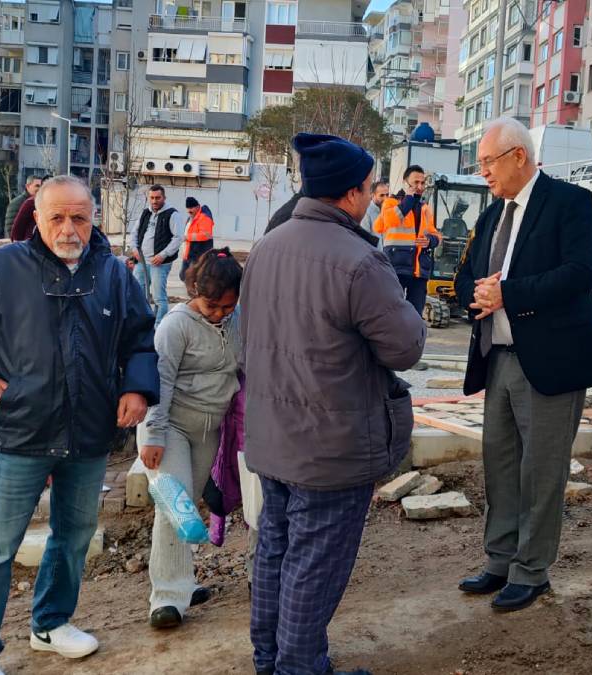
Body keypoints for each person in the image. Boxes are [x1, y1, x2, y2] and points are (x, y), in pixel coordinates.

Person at [0, 175, 158, 675]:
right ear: (38, 217)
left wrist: (136, 387)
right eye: (58, 217)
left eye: (80, 217)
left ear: (94, 218)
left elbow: (139, 335)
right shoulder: (3, 268)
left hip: (90, 431)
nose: (69, 228)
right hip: (21, 433)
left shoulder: (112, 273)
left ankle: (50, 623)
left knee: (74, 536)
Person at [240, 133, 426, 675]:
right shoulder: (360, 262)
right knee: (314, 565)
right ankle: (301, 667)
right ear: (349, 194)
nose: (373, 198)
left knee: (275, 551)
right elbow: (406, 347)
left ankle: (270, 659)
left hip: (274, 438)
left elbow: (246, 339)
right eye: (370, 189)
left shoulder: (266, 246)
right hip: (331, 447)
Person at [453, 117, 592, 613]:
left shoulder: (569, 203)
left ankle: (532, 570)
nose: (483, 174)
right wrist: (475, 294)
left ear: (519, 156)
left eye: (488, 163)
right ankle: (500, 560)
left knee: (541, 472)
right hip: (497, 358)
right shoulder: (492, 214)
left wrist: (509, 294)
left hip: (551, 362)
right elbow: (468, 273)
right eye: (480, 165)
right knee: (499, 466)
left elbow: (582, 273)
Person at [138, 248, 242, 630]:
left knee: (187, 508)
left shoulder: (237, 322)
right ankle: (165, 600)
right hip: (170, 429)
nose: (217, 313)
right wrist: (153, 434)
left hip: (209, 430)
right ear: (196, 290)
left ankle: (182, 585)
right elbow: (159, 382)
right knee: (174, 507)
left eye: (226, 307)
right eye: (211, 305)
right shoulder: (175, 326)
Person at [375, 166, 441, 314]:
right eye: (416, 182)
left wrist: (430, 240)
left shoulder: (425, 208)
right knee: (390, 312)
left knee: (415, 315)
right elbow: (389, 221)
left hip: (419, 269)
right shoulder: (391, 202)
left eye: (422, 183)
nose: (420, 186)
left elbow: (436, 235)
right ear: (405, 183)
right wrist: (408, 200)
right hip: (396, 266)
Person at [128, 184, 185, 327]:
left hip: (159, 264)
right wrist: (134, 248)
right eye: (152, 198)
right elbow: (135, 232)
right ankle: (141, 323)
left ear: (164, 198)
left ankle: (158, 327)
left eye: (158, 198)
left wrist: (163, 255)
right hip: (141, 262)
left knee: (159, 297)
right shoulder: (145, 213)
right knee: (138, 293)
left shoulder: (172, 214)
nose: (154, 201)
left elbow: (178, 238)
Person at [179, 198, 216, 281]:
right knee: (183, 276)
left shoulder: (204, 218)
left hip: (199, 255)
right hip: (189, 254)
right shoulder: (190, 218)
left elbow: (206, 235)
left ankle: (198, 292)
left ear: (197, 207)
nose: (189, 210)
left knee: (193, 278)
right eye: (188, 208)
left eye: (191, 208)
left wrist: (187, 237)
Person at [8, 175, 50, 243]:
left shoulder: (43, 202)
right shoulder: (21, 203)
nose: (40, 188)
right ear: (28, 186)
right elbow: (13, 228)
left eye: (41, 186)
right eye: (37, 186)